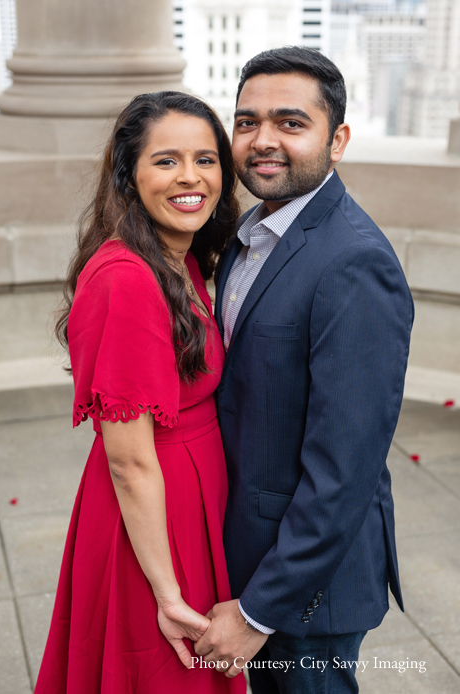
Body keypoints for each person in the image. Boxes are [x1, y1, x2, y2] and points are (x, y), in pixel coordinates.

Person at [194, 46, 414, 694]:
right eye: (246, 121)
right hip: (250, 551)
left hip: (306, 587)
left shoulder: (353, 263)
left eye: (290, 123)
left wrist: (260, 608)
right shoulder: (250, 235)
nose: (263, 141)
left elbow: (343, 468)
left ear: (336, 139)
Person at [34, 92, 246, 694]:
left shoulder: (178, 258)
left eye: (206, 160)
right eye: (167, 160)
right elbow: (128, 459)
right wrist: (166, 590)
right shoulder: (126, 278)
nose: (191, 177)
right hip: (155, 518)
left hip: (187, 497)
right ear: (129, 175)